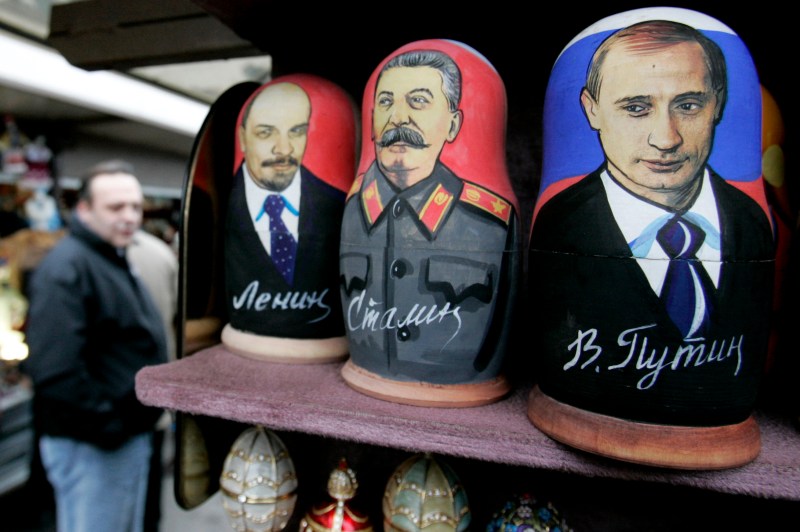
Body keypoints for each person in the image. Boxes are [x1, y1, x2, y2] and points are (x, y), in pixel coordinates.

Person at [529, 20, 775, 425]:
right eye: (636, 108)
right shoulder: (560, 226)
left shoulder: (752, 227)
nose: (666, 138)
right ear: (592, 110)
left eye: (688, 105)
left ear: (719, 104)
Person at [339, 48, 519, 385]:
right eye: (386, 102)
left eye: (418, 101)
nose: (398, 119)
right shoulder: (352, 209)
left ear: (453, 124)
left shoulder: (490, 222)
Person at [22, 159, 168, 532]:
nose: (130, 216)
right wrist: (113, 426)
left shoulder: (108, 257)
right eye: (116, 207)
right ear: (84, 210)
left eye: (136, 206)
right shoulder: (67, 268)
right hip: (95, 446)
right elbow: (56, 371)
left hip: (121, 438)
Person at [225, 80, 347, 340]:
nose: (284, 149)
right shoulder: (216, 209)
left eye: (296, 131)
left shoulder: (338, 205)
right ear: (242, 138)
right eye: (266, 133)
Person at [127, 226, 179, 532]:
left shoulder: (97, 258)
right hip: (154, 390)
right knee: (149, 486)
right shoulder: (160, 254)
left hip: (117, 400)